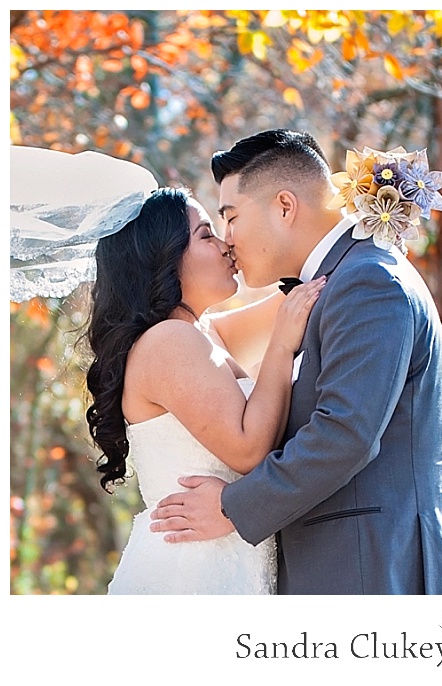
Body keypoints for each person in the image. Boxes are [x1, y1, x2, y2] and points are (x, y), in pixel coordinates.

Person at [149, 129, 442, 594]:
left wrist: (231, 507)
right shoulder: (335, 282)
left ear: (284, 206)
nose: (228, 239)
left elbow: (345, 433)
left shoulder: (367, 281)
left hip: (380, 568)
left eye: (231, 217)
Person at [84, 186, 325, 594]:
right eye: (206, 235)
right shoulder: (168, 342)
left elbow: (305, 294)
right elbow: (249, 449)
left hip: (219, 558)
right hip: (190, 570)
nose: (226, 244)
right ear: (165, 258)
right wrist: (283, 345)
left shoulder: (201, 333)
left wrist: (368, 205)